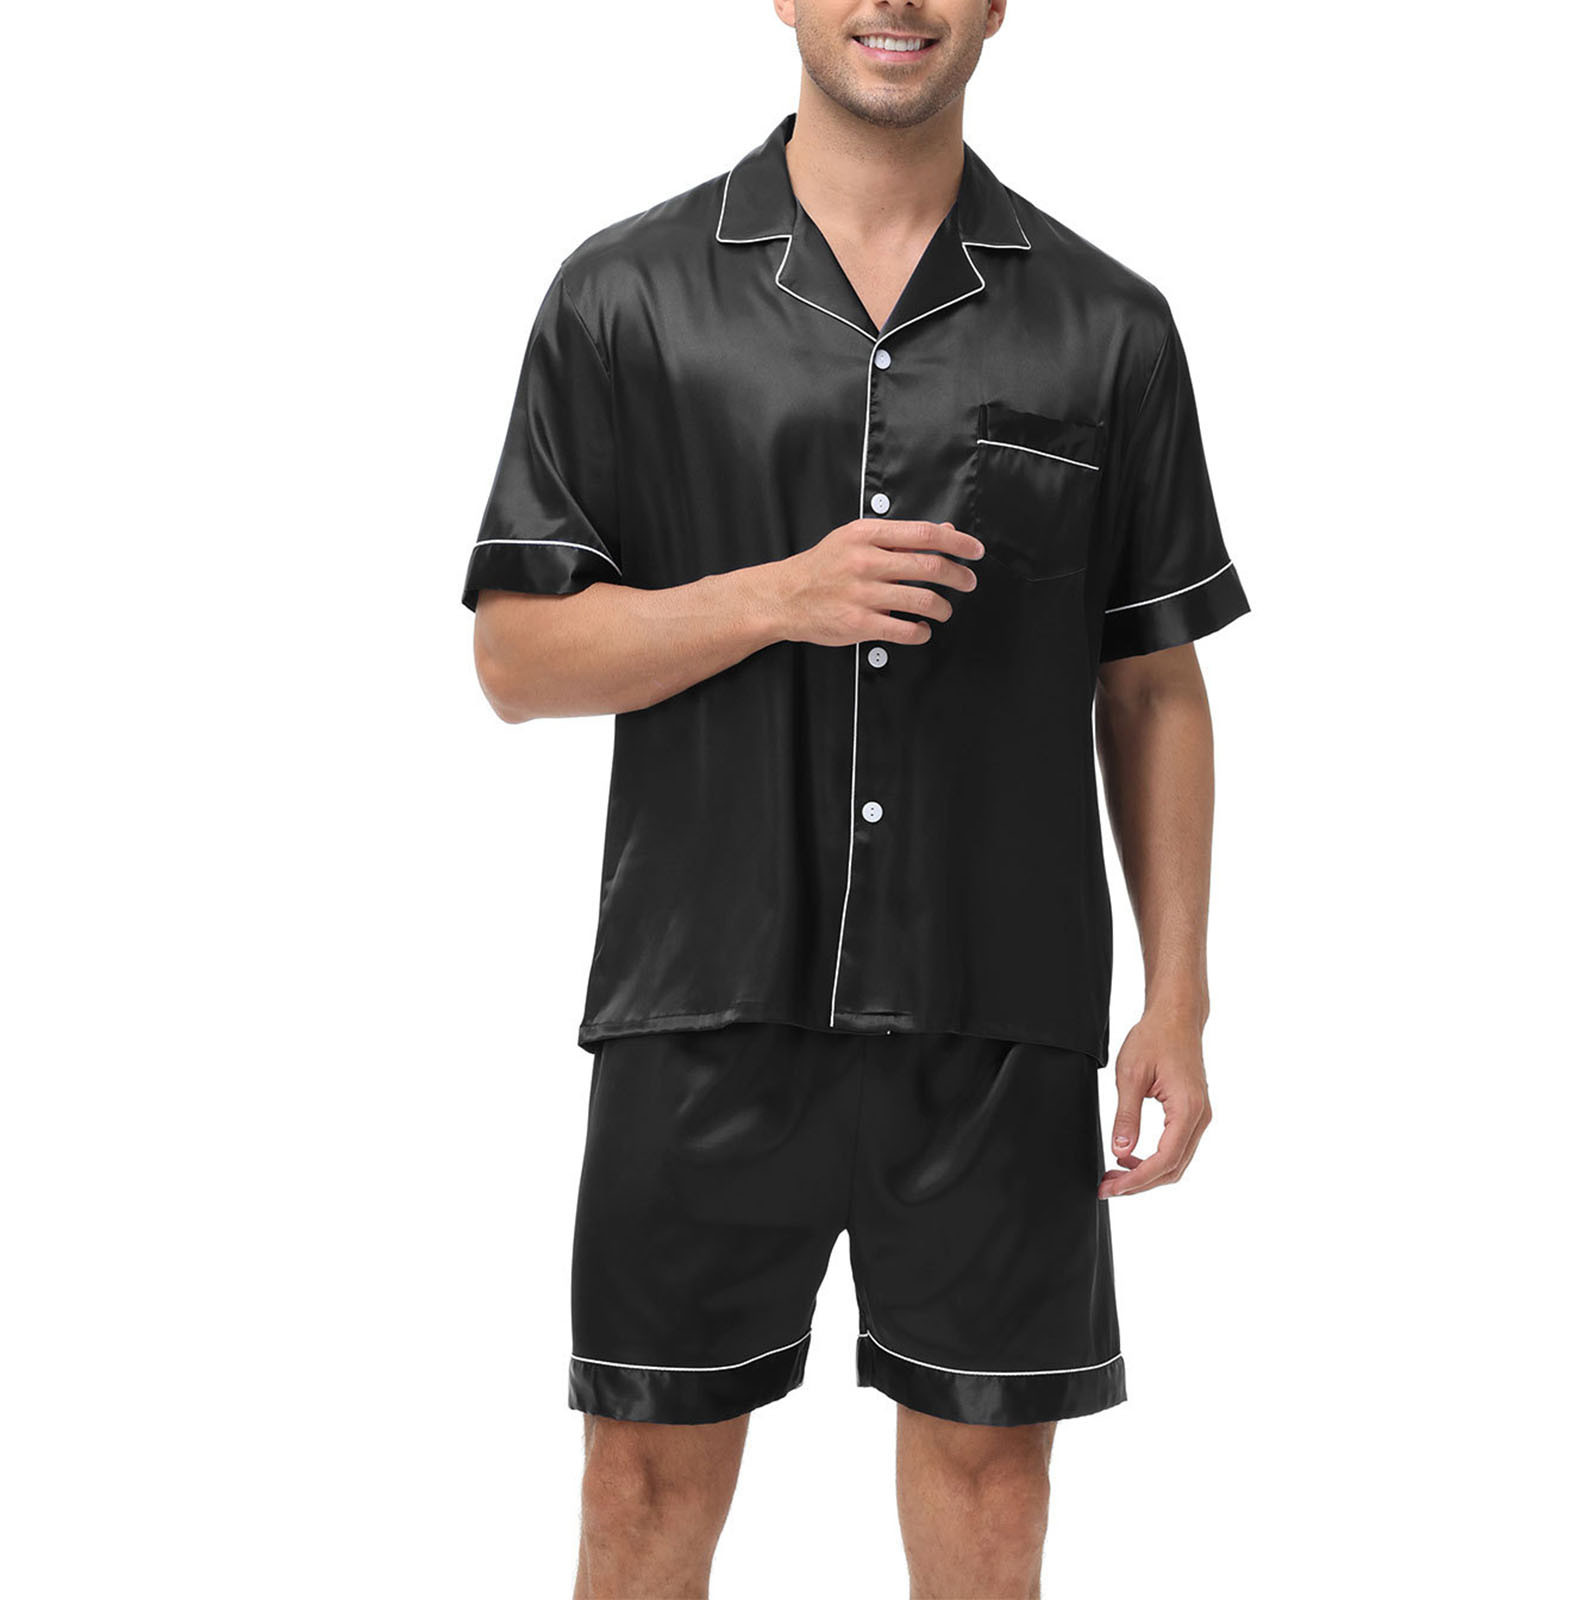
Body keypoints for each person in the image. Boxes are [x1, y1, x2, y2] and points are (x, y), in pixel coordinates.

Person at [462, 3, 1248, 1594]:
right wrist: (777, 597)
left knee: (993, 1488)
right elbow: (516, 657)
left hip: (996, 1016)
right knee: (640, 1487)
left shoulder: (1108, 324)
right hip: (701, 999)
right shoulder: (626, 295)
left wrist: (1178, 996)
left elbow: (1151, 683)